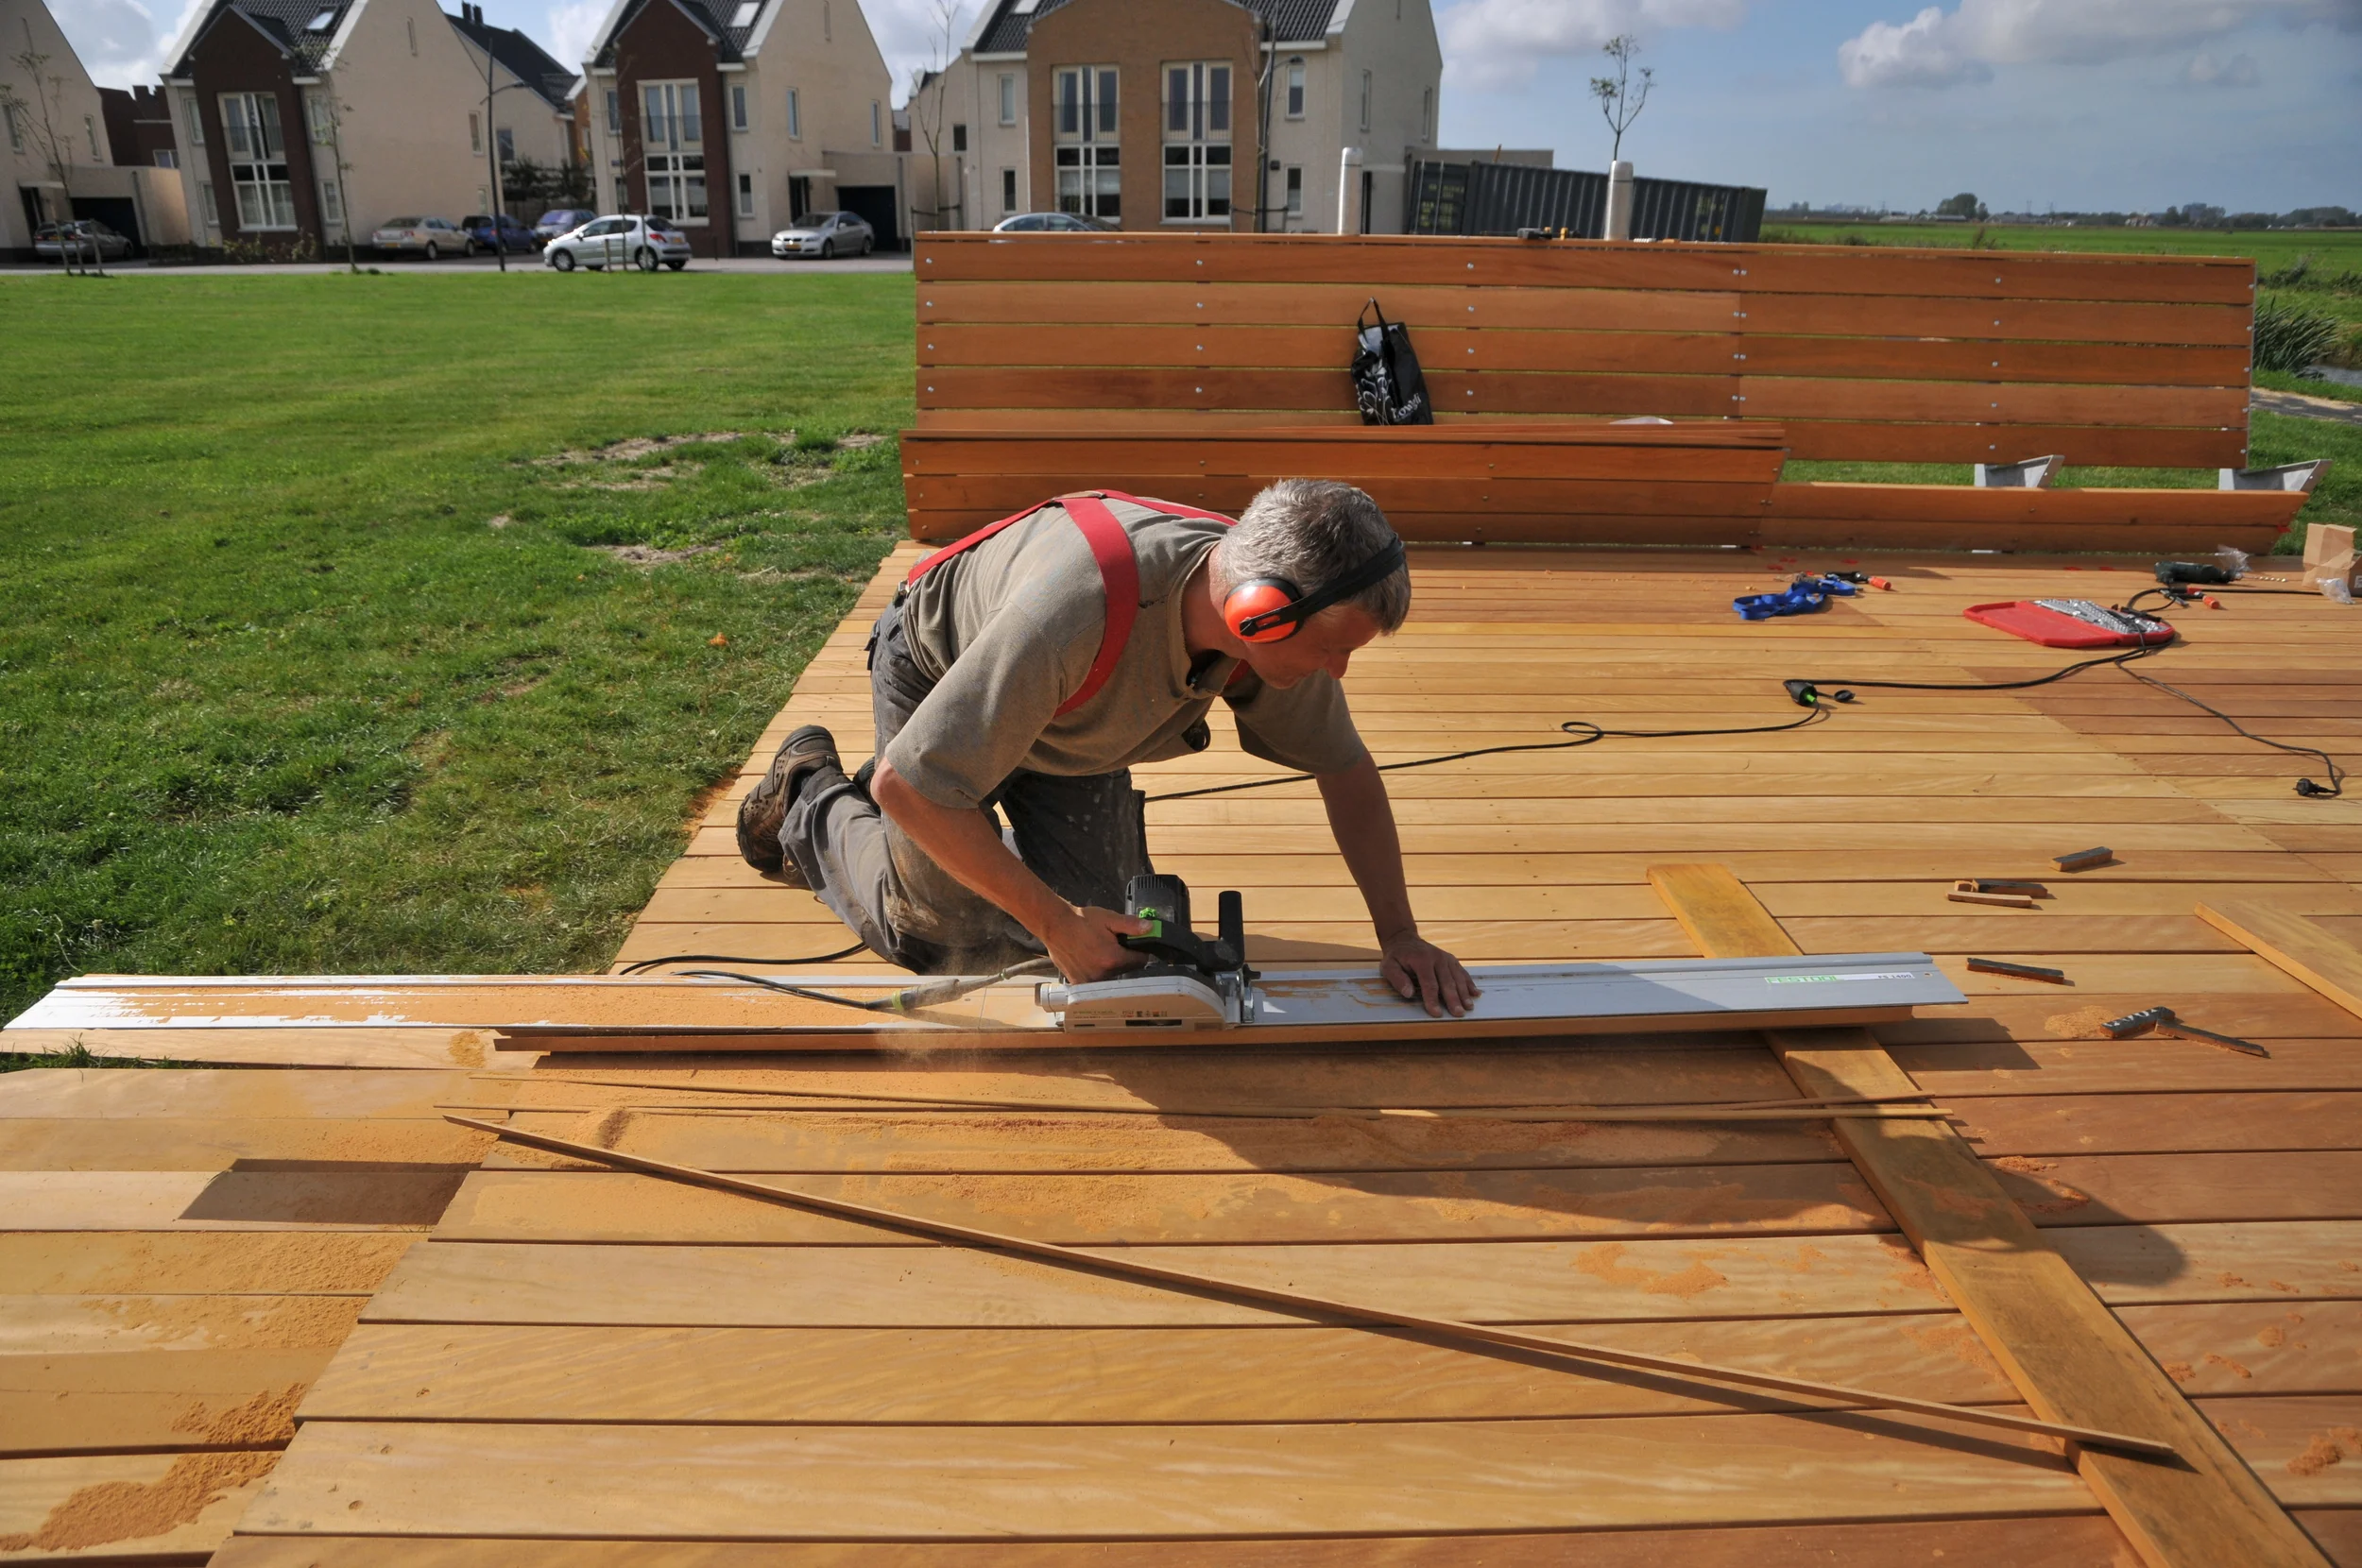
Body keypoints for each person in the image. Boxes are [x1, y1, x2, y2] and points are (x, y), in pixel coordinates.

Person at [735, 479, 1479, 1018]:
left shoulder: (1269, 621)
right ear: (1260, 616)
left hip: (1072, 718)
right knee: (948, 931)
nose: (1340, 671)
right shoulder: (1069, 611)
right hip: (946, 667)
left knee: (1120, 955)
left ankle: (957, 815)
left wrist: (1401, 936)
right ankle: (810, 795)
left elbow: (1344, 768)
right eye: (1334, 651)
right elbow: (907, 787)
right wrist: (1055, 921)